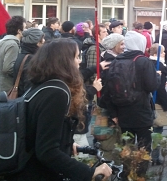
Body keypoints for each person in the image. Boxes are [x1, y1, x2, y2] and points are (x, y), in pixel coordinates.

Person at [7, 38, 112, 180]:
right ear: (64, 62)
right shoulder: (57, 93)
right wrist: (88, 172)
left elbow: (43, 131)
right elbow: (47, 151)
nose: (79, 61)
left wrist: (66, 142)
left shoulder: (42, 84)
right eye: (76, 57)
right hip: (38, 173)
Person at [104, 31, 158, 173]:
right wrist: (157, 76)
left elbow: (108, 89)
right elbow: (152, 86)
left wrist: (113, 113)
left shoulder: (116, 60)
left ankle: (126, 173)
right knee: (143, 148)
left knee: (126, 147)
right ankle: (139, 175)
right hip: (141, 111)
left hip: (122, 111)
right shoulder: (143, 61)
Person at [149, 43, 167, 165]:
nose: (165, 53)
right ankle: (155, 157)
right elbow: (160, 88)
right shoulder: (160, 66)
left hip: (147, 101)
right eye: (162, 52)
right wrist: (166, 104)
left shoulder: (147, 63)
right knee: (157, 131)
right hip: (157, 101)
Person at [12, 28, 45, 97]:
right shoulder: (31, 59)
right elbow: (29, 86)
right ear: (38, 42)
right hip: (26, 99)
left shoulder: (23, 54)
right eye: (43, 38)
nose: (44, 41)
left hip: (21, 96)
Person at [0, 16, 26, 93]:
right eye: (25, 28)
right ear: (19, 31)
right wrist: (22, 73)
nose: (26, 30)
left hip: (6, 85)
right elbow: (8, 68)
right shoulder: (12, 44)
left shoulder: (7, 42)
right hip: (9, 87)